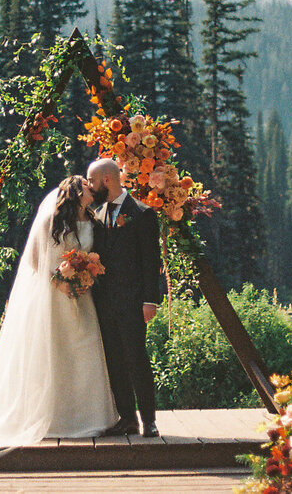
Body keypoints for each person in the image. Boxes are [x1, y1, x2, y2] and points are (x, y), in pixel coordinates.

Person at [0, 175, 118, 451]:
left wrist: (84, 275)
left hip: (82, 297)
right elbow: (34, 260)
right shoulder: (51, 221)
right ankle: (53, 419)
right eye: (86, 185)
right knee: (54, 351)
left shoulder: (92, 220)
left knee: (84, 349)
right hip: (54, 297)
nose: (91, 188)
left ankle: (87, 416)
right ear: (75, 191)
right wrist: (60, 281)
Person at [86, 157, 162, 438]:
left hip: (133, 302)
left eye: (92, 181)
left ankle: (149, 420)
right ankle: (127, 418)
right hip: (104, 302)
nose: (90, 187)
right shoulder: (99, 213)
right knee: (114, 361)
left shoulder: (142, 213)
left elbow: (150, 261)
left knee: (137, 359)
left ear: (107, 180)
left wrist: (150, 300)